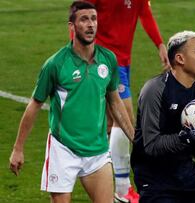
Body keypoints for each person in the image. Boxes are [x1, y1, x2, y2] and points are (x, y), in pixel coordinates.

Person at [8, 1, 134, 202]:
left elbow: (115, 101)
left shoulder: (108, 59)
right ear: (72, 26)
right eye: (84, 19)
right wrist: (18, 148)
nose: (91, 24)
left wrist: (134, 138)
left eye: (93, 19)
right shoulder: (56, 64)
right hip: (63, 149)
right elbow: (34, 105)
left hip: (98, 150)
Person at [81, 0, 170, 201]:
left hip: (122, 59)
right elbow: (80, 15)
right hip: (102, 58)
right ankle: (122, 189)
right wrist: (78, 54)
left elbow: (144, 12)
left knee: (109, 124)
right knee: (125, 119)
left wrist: (160, 44)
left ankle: (99, 180)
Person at [131, 30, 195, 202]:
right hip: (156, 182)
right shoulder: (154, 90)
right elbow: (151, 146)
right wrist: (187, 138)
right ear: (180, 59)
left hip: (187, 176)